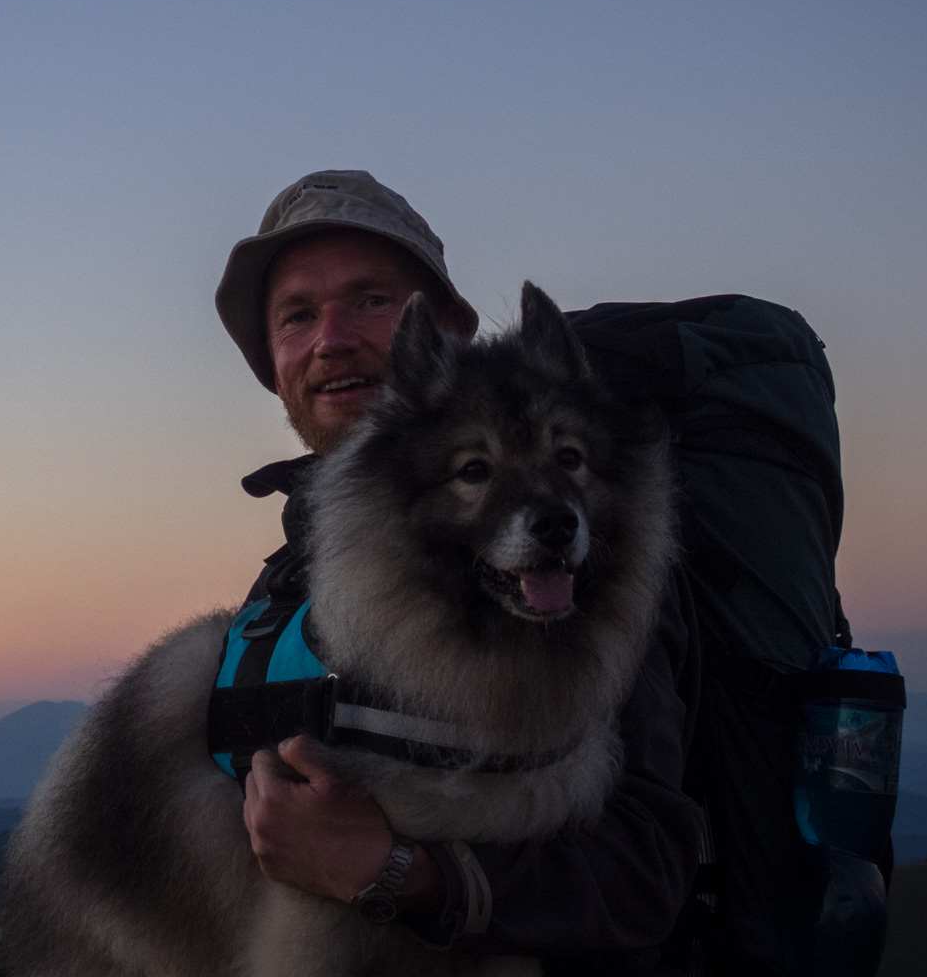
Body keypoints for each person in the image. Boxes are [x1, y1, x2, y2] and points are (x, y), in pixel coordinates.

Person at [214, 170, 704, 971]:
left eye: (374, 301)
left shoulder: (596, 563)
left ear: (448, 328)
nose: (333, 338)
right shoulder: (289, 578)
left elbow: (648, 868)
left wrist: (402, 874)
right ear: (275, 362)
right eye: (298, 315)